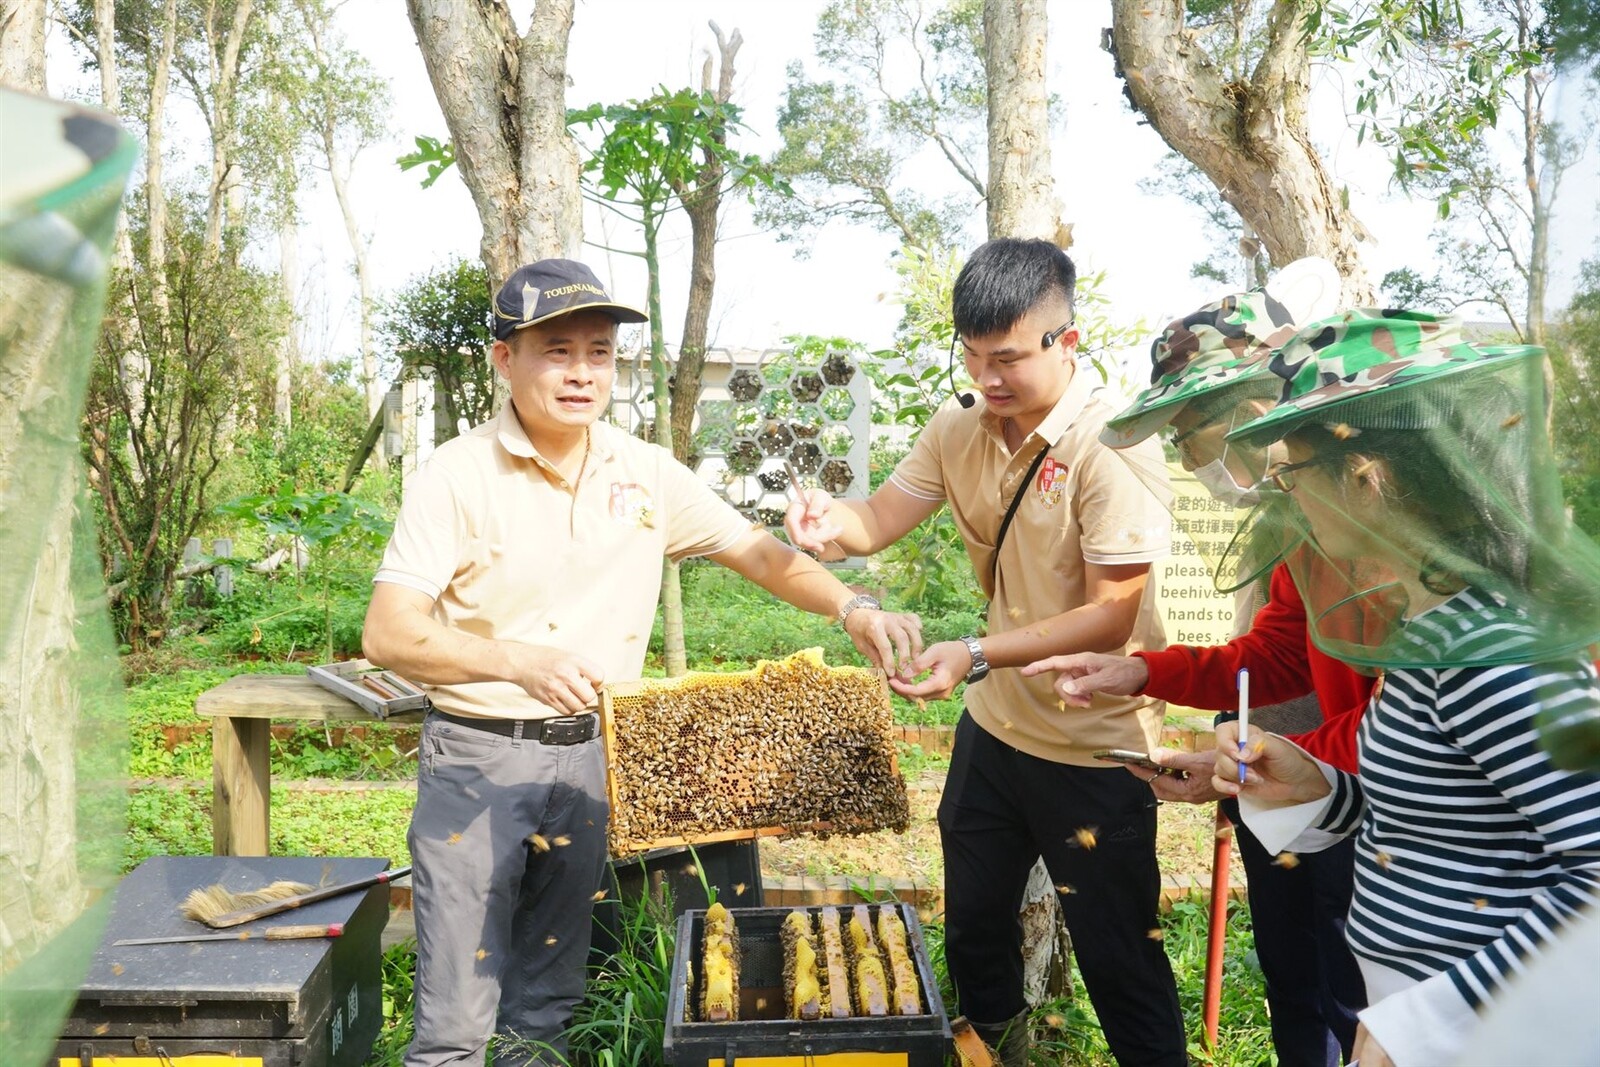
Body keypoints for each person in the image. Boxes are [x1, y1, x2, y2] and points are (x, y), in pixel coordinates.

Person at [362, 258, 923, 1067]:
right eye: (558, 350)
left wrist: (851, 606)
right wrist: (512, 659)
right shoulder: (455, 475)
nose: (584, 371)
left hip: (596, 757)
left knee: (547, 1003)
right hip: (477, 762)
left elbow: (761, 555)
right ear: (504, 358)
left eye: (600, 351)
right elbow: (388, 632)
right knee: (456, 1016)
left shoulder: (645, 471)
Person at [786, 238, 1185, 1066]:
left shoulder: (1115, 446)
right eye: (973, 358)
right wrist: (830, 527)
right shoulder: (959, 428)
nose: (988, 380)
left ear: (1065, 341)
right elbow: (880, 516)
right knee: (972, 930)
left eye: (1006, 358)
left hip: (1095, 747)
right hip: (995, 734)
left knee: (1122, 959)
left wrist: (974, 649)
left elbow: (1113, 616)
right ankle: (996, 1052)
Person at [1208, 309, 1600, 1067]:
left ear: (1364, 479)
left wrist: (1429, 1017)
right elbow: (1454, 823)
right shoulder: (1436, 633)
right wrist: (1317, 786)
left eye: (1293, 473)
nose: (1288, 499)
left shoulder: (1490, 651)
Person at [1022, 269, 1371, 1067]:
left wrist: (1264, 764)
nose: (1186, 455)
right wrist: (1141, 672)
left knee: (1366, 1003)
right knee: (1301, 983)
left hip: (1422, 826)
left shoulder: (1370, 498)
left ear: (1258, 406)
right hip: (1336, 787)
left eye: (1191, 430)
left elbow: (1426, 716)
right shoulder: (1301, 515)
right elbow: (1280, 651)